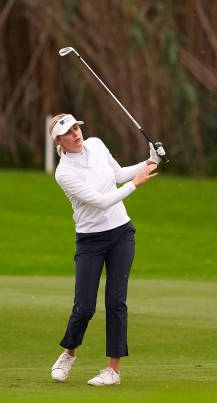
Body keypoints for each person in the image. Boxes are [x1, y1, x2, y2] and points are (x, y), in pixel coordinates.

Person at [48, 113, 163, 386]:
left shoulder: (97, 144)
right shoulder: (64, 173)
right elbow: (100, 201)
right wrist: (135, 184)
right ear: (59, 141)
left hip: (122, 234)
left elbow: (118, 174)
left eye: (77, 127)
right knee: (84, 307)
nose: (76, 133)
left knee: (116, 301)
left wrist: (150, 161)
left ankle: (113, 370)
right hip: (90, 241)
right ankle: (69, 352)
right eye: (69, 131)